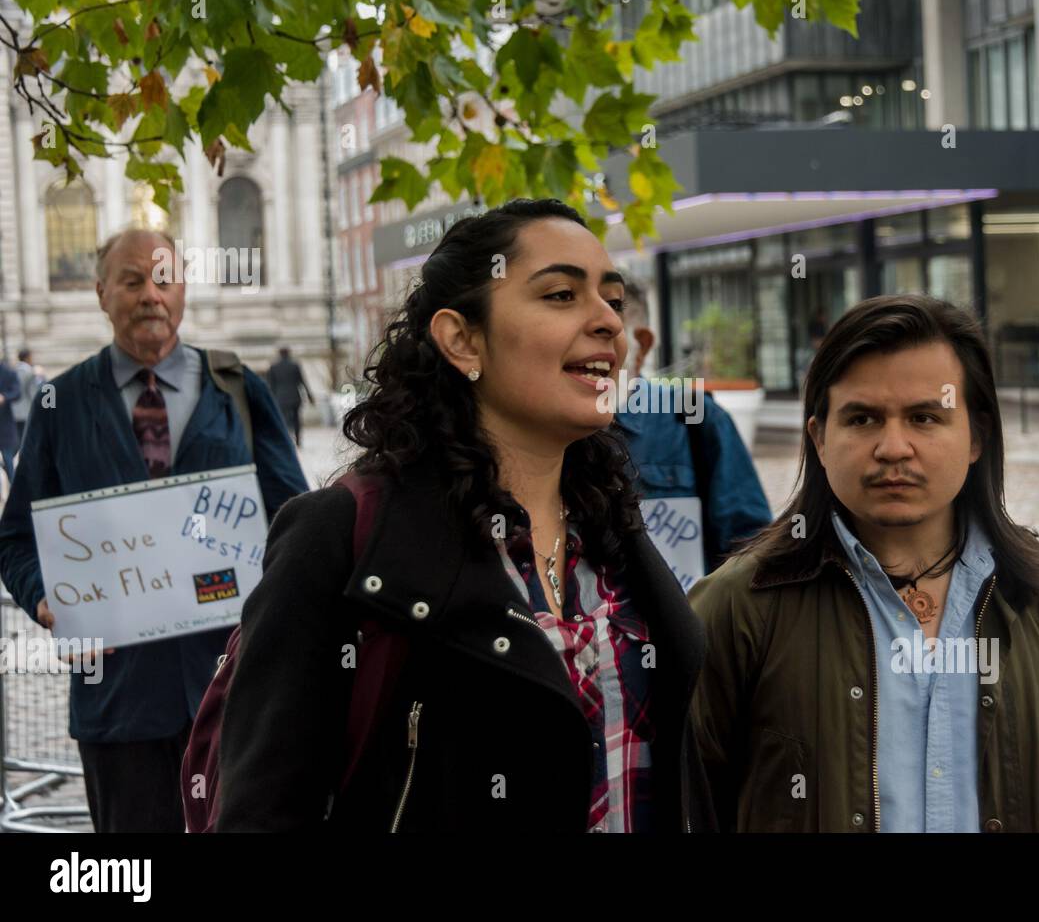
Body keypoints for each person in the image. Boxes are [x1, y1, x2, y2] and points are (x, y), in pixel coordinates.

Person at [216, 199, 712, 832]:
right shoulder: (337, 538)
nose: (608, 322)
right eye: (561, 295)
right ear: (461, 338)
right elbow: (263, 811)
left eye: (611, 299)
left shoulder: (611, 527)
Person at [689, 294, 1039, 832]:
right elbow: (691, 798)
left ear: (976, 437)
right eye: (862, 418)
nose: (893, 447)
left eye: (924, 417)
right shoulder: (738, 606)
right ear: (819, 438)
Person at [0, 227, 309, 833]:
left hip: (234, 697)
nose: (151, 294)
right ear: (100, 292)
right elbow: (14, 541)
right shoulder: (59, 403)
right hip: (118, 706)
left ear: (184, 289)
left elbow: (297, 523)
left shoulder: (239, 389)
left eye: (164, 278)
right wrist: (45, 598)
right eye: (132, 280)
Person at [615, 281, 770, 586]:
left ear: (642, 344)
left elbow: (750, 548)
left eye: (610, 322)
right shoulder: (543, 428)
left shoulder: (695, 415)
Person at [265, 346, 316, 447]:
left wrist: (269, 399)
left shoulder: (273, 367)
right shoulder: (295, 366)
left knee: (282, 419)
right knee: (296, 419)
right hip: (295, 397)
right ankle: (298, 440)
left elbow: (271, 385)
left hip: (280, 397)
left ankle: (285, 439)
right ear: (289, 354)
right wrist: (310, 396)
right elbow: (302, 382)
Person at [12, 348, 41, 445]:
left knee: (17, 438)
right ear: (27, 357)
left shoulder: (13, 371)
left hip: (13, 411)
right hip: (26, 411)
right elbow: (33, 393)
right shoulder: (30, 373)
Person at [0, 358, 20, 484]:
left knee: (8, 460)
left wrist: (4, 397)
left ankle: (14, 490)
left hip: (4, 425)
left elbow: (17, 392)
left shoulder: (8, 373)